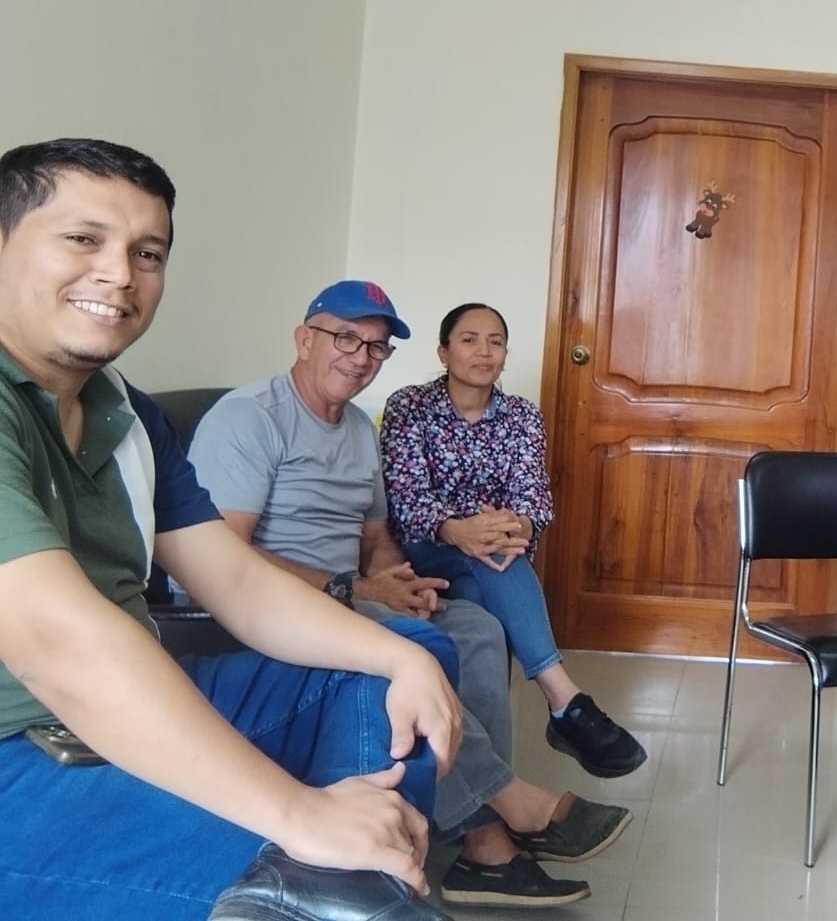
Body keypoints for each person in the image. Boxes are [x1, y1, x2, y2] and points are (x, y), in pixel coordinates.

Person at [0, 139, 464, 921]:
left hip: (128, 706)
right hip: (19, 752)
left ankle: (350, 868)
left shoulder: (126, 411)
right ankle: (328, 880)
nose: (120, 274)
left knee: (401, 663)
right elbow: (57, 644)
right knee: (327, 886)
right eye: (82, 238)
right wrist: (297, 813)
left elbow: (238, 580)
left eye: (147, 253)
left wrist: (400, 655)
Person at [189, 281, 631, 910]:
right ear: (304, 339)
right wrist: (355, 586)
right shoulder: (250, 417)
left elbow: (376, 536)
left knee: (476, 628)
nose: (361, 357)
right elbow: (219, 554)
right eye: (346, 338)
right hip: (274, 603)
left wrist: (398, 579)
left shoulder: (357, 429)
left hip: (352, 591)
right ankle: (498, 823)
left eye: (376, 347)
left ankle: (481, 834)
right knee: (414, 646)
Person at [381, 303, 646, 778]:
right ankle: (564, 702)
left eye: (496, 341)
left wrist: (516, 526)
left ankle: (489, 773)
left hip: (496, 553)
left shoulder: (522, 415)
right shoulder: (409, 406)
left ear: (505, 354)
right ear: (443, 352)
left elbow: (534, 500)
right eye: (469, 340)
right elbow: (405, 498)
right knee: (496, 561)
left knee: (486, 596)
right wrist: (457, 530)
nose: (484, 351)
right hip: (426, 545)